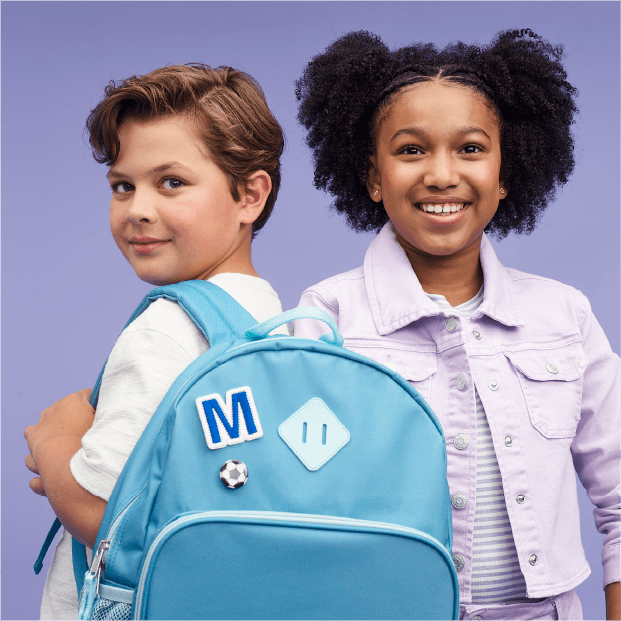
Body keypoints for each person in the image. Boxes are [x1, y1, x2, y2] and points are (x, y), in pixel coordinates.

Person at [293, 29, 620, 621]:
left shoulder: (564, 316)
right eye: (411, 150)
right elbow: (300, 499)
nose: (442, 175)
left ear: (505, 171)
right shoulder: (328, 317)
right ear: (372, 175)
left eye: (470, 148)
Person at [24, 63, 288, 620]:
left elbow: (105, 514)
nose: (138, 209)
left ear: (250, 195)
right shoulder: (276, 318)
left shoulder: (167, 326)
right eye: (124, 185)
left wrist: (54, 445)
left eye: (172, 182)